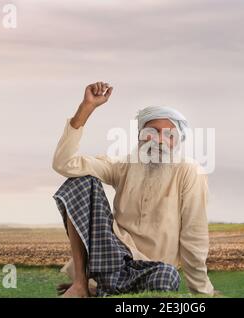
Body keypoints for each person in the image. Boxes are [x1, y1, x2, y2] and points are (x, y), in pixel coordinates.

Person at [52, 81, 215, 297]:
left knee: (167, 277)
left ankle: (99, 289)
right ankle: (82, 284)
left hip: (152, 269)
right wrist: (86, 107)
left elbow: (194, 235)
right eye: (152, 131)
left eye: (169, 135)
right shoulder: (124, 165)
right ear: (140, 134)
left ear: (177, 141)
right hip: (112, 257)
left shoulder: (189, 171)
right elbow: (64, 164)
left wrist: (202, 293)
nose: (159, 140)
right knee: (81, 181)